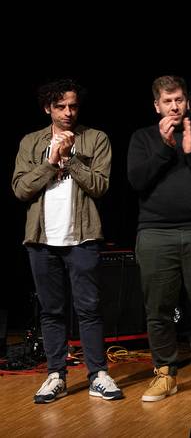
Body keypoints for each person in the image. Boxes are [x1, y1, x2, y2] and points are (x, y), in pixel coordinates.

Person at [13, 78, 123, 403]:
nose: (67, 112)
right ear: (48, 107)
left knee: (88, 308)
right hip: (41, 239)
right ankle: (56, 375)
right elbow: (20, 189)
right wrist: (50, 161)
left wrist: (70, 159)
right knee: (51, 311)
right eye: (60, 106)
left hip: (82, 237)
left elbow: (100, 186)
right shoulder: (31, 142)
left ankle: (98, 375)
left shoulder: (96, 138)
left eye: (73, 106)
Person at [127, 75, 191, 402]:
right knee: (158, 308)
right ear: (156, 105)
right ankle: (164, 373)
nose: (175, 106)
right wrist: (164, 148)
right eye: (168, 101)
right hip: (156, 232)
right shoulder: (143, 138)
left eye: (179, 100)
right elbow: (137, 181)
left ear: (187, 101)